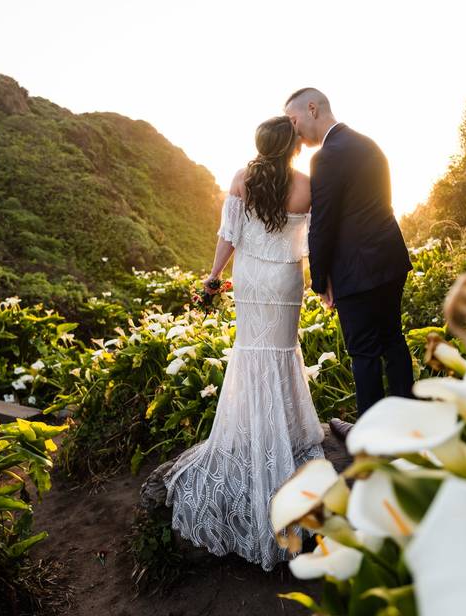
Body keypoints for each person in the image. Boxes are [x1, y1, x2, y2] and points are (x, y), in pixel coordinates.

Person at [153, 116, 325, 571]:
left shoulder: (241, 179)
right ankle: (283, 432)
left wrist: (212, 280)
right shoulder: (307, 185)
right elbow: (318, 239)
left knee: (251, 355)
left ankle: (251, 431)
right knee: (283, 356)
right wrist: (326, 282)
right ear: (294, 146)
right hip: (286, 280)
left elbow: (228, 237)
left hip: (249, 279)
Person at [284, 88, 414, 439]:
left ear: (312, 109)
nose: (293, 130)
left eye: (293, 120)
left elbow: (323, 223)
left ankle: (372, 439)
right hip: (390, 258)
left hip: (357, 269)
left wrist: (320, 278)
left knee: (363, 353)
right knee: (393, 341)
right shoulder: (368, 144)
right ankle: (407, 426)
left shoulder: (325, 158)